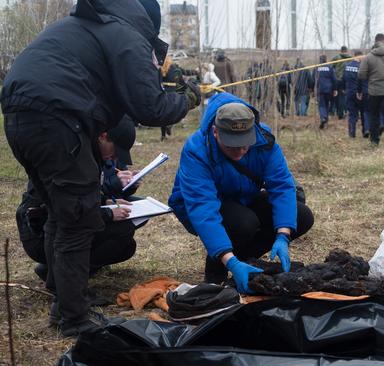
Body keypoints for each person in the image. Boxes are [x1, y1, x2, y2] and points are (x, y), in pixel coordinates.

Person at [1, 0, 200, 337]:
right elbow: (150, 107)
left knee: (59, 210)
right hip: (58, 116)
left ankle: (62, 295)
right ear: (148, 22)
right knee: (78, 218)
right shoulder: (127, 34)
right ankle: (75, 318)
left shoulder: (90, 26)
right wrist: (187, 97)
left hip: (20, 115)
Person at [168, 93, 314, 293]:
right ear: (215, 132)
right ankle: (218, 267)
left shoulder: (264, 141)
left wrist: (282, 235)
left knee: (302, 216)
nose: (240, 151)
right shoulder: (197, 150)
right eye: (231, 145)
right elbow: (203, 208)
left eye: (245, 143)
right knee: (243, 223)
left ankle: (245, 260)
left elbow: (281, 186)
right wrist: (229, 260)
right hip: (202, 206)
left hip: (243, 197)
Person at [16, 117, 143, 285]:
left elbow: (83, 194)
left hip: (57, 225)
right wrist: (107, 212)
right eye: (115, 150)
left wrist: (106, 200)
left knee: (125, 244)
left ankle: (64, 269)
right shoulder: (72, 155)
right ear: (103, 136)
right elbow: (66, 206)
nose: (114, 157)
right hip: (39, 232)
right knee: (122, 228)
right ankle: (64, 276)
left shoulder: (89, 151)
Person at [343, 50, 369, 138]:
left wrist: (343, 89)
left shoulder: (347, 66)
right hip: (360, 93)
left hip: (349, 92)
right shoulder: (362, 67)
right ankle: (365, 130)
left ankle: (352, 133)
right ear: (360, 56)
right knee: (364, 112)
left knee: (352, 114)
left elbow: (343, 79)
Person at [314, 55, 337, 129]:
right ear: (326, 60)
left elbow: (312, 79)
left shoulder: (316, 68)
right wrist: (335, 89)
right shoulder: (330, 68)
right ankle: (325, 119)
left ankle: (323, 118)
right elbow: (334, 79)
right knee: (326, 104)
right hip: (329, 89)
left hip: (320, 89)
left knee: (321, 105)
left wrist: (312, 89)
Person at [331, 46, 352, 120]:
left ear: (341, 50)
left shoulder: (336, 58)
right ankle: (345, 111)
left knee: (338, 97)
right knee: (344, 97)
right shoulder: (350, 58)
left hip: (337, 80)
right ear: (346, 50)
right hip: (346, 80)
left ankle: (339, 113)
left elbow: (331, 66)